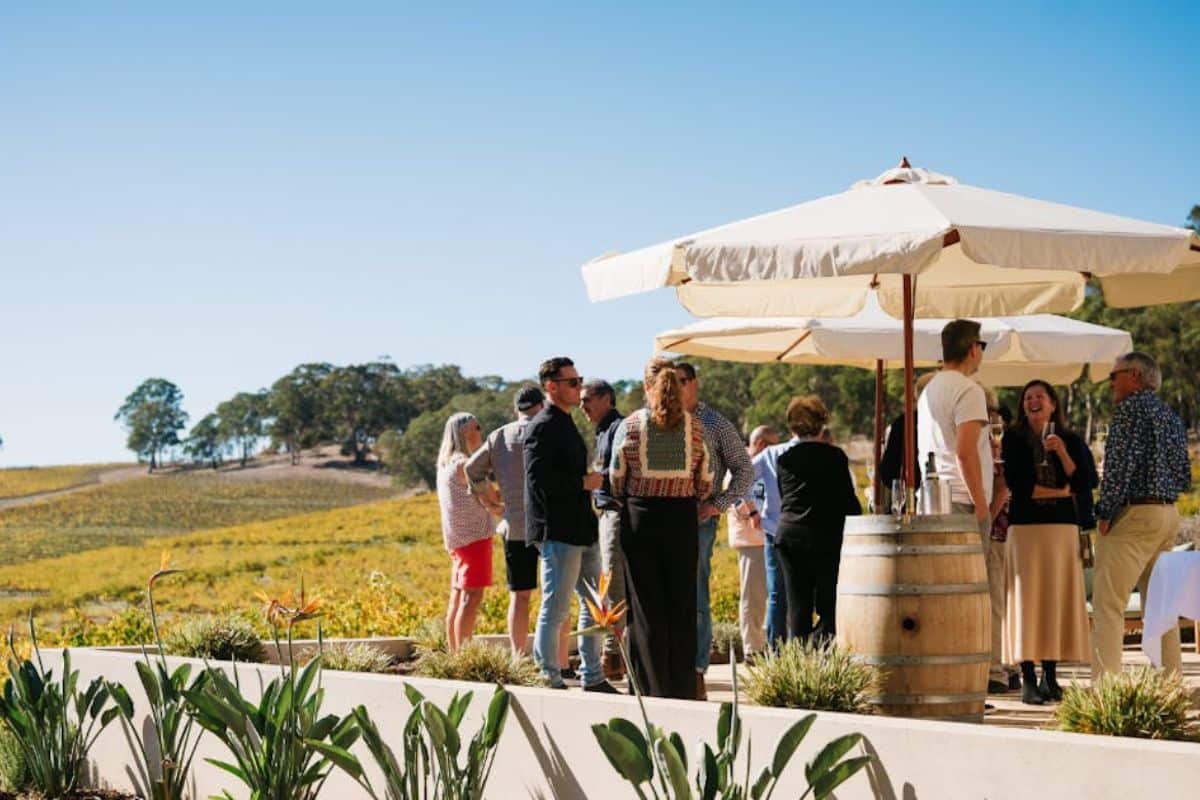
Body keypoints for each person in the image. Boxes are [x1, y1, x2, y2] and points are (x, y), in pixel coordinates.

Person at [610, 357, 712, 699]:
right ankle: (681, 689)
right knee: (681, 605)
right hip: (681, 519)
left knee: (646, 608)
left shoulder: (631, 425)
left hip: (641, 518)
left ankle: (649, 688)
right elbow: (706, 480)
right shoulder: (695, 428)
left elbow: (615, 475)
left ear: (648, 387)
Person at [1092, 352, 1192, 680]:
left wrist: (1105, 512)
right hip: (1168, 514)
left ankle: (1104, 689)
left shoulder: (1130, 411)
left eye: (1114, 376)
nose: (1110, 383)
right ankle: (1170, 685)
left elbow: (1119, 469)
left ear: (1134, 376)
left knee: (1108, 605)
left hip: (1135, 515)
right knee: (1162, 607)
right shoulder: (1170, 415)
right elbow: (1183, 476)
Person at [916, 320, 1004, 690]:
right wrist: (984, 505)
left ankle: (949, 677)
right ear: (973, 349)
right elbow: (965, 452)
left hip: (935, 501)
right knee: (971, 597)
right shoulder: (969, 390)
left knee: (944, 595)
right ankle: (970, 681)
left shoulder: (929, 389)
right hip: (964, 502)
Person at [524, 357, 619, 693]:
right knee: (556, 605)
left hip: (582, 529)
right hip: (559, 532)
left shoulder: (564, 423)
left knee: (595, 604)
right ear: (551, 386)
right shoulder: (542, 426)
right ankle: (548, 675)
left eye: (579, 381)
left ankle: (592, 676)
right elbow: (539, 483)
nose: (579, 389)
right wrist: (584, 482)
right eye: (573, 382)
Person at [1001, 380, 1094, 704]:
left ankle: (1050, 678)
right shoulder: (1012, 439)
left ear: (1053, 403)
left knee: (1055, 602)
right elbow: (1020, 485)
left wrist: (1062, 453)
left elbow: (1083, 482)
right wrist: (1060, 492)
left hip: (1061, 530)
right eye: (1027, 397)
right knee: (1027, 602)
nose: (1033, 401)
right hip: (1026, 529)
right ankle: (1028, 678)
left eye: (1039, 396)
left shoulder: (1069, 439)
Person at [676, 362, 753, 699]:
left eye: (679, 382)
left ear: (694, 382)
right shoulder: (656, 421)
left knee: (695, 595)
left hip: (699, 522)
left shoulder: (715, 423)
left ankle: (696, 671)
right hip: (659, 521)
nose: (673, 388)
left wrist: (717, 505)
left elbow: (744, 470)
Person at [774, 396, 862, 641]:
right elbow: (847, 501)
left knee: (798, 609)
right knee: (830, 607)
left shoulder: (784, 460)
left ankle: (801, 665)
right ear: (822, 423)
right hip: (826, 537)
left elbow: (786, 497)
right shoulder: (835, 457)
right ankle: (820, 651)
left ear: (792, 426)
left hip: (790, 535)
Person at [464, 385, 544, 657]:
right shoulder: (549, 430)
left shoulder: (500, 436)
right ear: (542, 405)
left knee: (519, 596)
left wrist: (489, 501)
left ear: (516, 410)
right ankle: (556, 660)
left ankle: (518, 657)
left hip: (515, 525)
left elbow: (471, 469)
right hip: (549, 526)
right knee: (555, 598)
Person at [436, 412, 494, 651]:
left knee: (458, 597)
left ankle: (454, 652)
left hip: (458, 540)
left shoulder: (446, 464)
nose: (480, 431)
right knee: (472, 598)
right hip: (475, 537)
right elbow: (489, 495)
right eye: (477, 427)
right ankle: (463, 654)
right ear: (464, 433)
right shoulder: (464, 465)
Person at [581, 378, 626, 680]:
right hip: (605, 513)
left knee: (612, 584)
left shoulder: (618, 428)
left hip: (616, 512)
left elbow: (623, 469)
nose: (582, 405)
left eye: (588, 399)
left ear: (606, 398)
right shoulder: (602, 431)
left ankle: (614, 655)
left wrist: (597, 479)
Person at [727, 426, 777, 659]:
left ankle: (770, 643)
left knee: (774, 596)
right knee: (753, 598)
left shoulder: (769, 464)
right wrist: (752, 514)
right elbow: (734, 496)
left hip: (771, 538)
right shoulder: (740, 465)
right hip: (751, 541)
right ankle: (753, 649)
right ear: (761, 444)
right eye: (773, 444)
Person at [752, 425, 803, 649]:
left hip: (775, 529)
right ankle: (798, 651)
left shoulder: (769, 454)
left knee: (776, 595)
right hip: (802, 529)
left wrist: (753, 510)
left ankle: (776, 652)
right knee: (800, 595)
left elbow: (740, 479)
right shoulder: (819, 453)